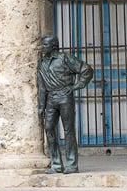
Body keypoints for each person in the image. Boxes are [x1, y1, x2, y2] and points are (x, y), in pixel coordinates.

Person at [37, 34, 94, 174]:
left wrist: (76, 86)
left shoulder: (65, 58)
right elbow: (41, 87)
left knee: (69, 131)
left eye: (45, 45)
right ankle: (56, 164)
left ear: (53, 46)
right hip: (51, 98)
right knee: (49, 129)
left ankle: (71, 164)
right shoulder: (42, 63)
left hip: (64, 97)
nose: (42, 47)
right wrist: (41, 106)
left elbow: (86, 69)